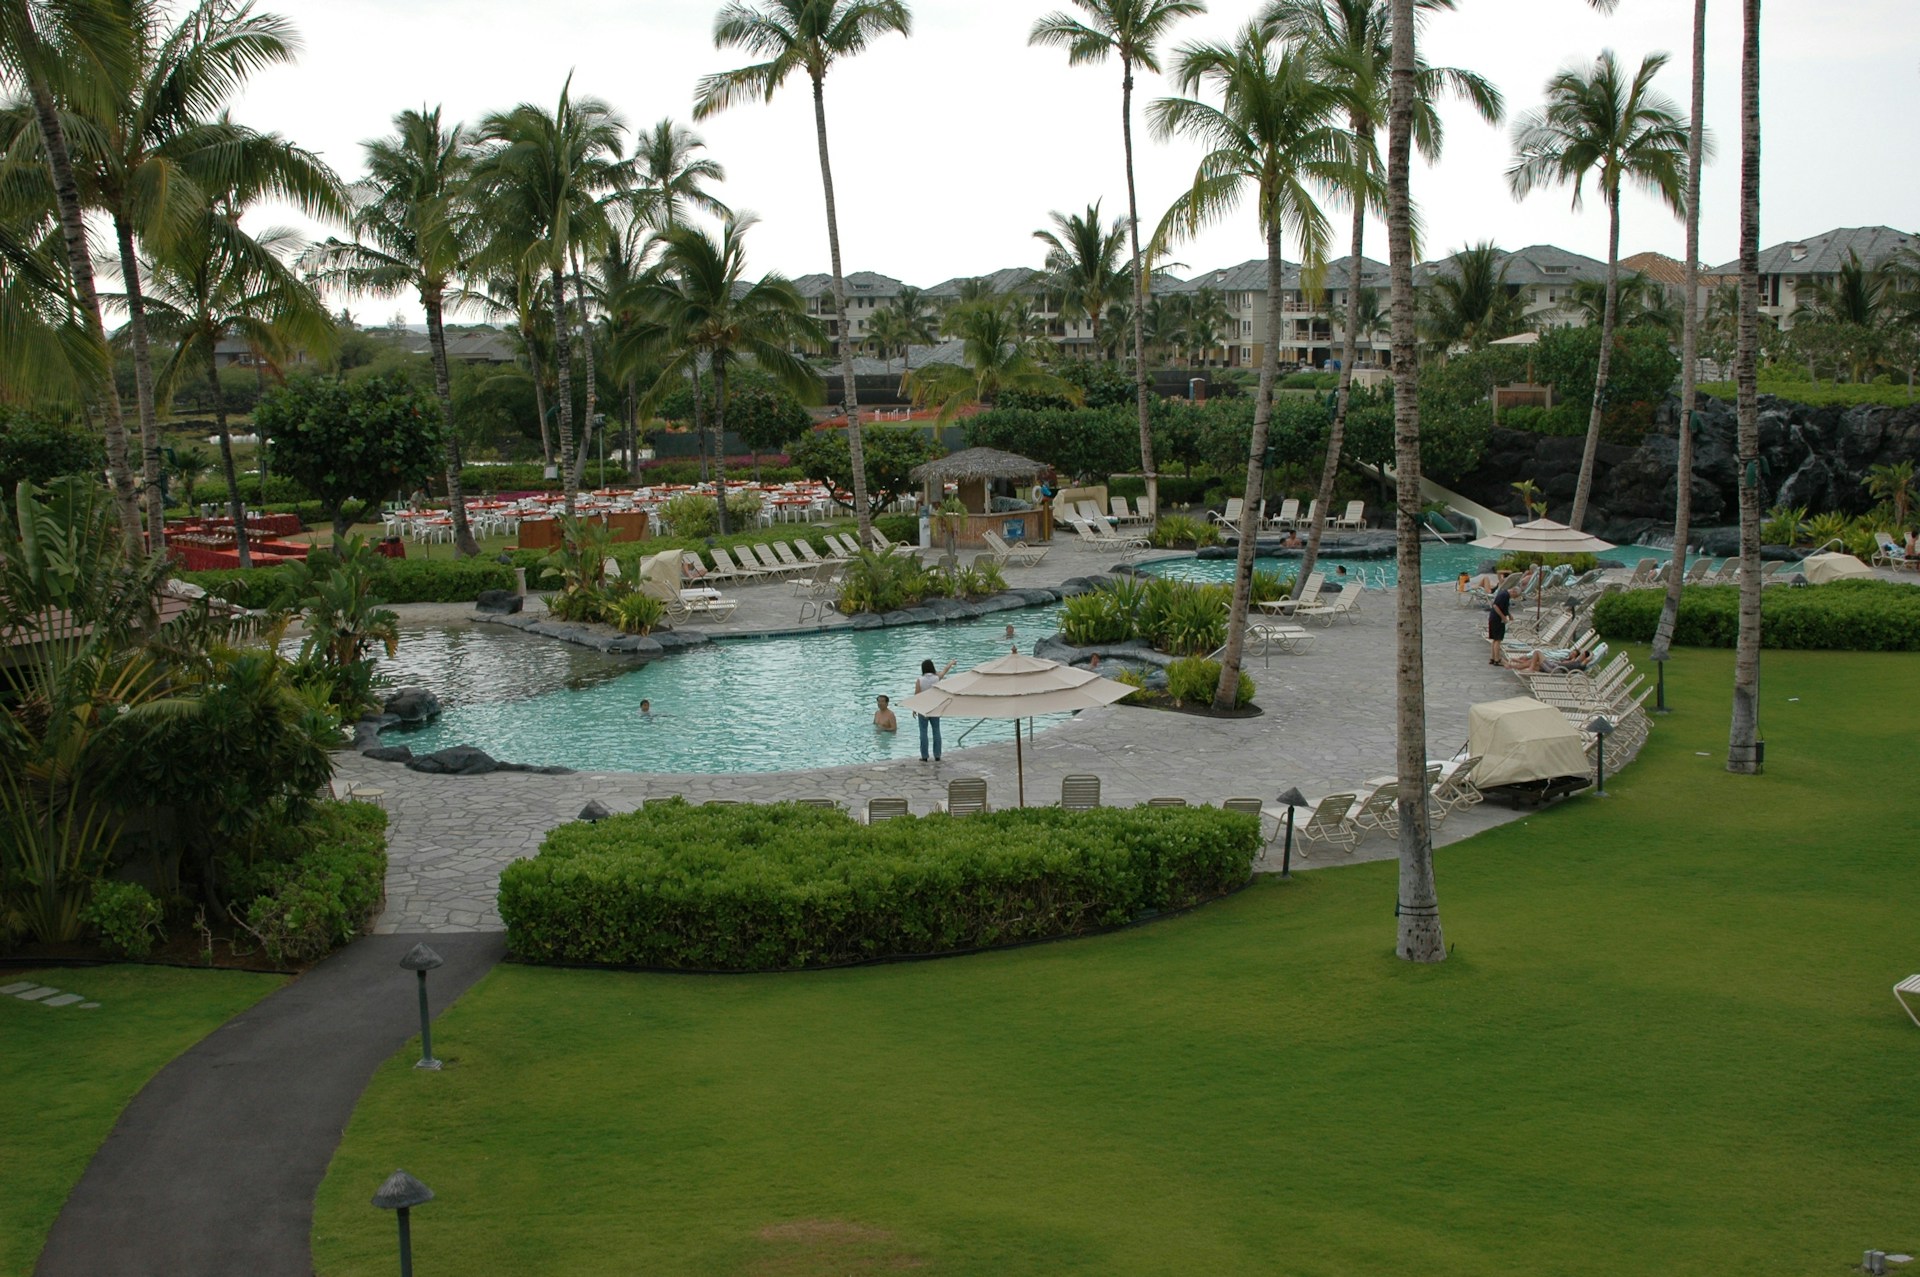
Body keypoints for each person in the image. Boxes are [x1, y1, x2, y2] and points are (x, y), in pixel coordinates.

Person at [914, 657, 956, 762]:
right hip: (935, 707)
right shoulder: (937, 678)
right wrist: (951, 663)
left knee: (923, 732)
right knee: (936, 731)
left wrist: (914, 708)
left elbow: (917, 695)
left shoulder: (920, 680)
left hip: (923, 708)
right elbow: (944, 671)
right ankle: (937, 755)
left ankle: (924, 756)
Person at [1488, 579, 1513, 665]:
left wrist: (1509, 614)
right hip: (1497, 619)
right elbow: (1495, 606)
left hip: (1493, 618)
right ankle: (1497, 659)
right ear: (1513, 592)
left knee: (1495, 639)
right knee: (1498, 639)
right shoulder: (1505, 596)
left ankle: (1492, 658)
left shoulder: (1504, 594)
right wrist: (1504, 618)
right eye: (1516, 596)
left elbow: (1502, 607)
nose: (1514, 597)